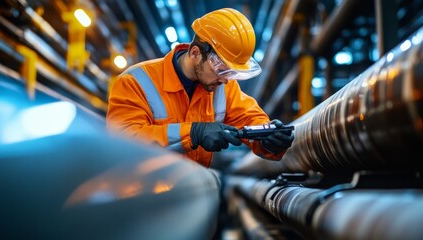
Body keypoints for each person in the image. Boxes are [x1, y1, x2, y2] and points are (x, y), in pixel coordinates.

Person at [106, 8, 294, 168]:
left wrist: (268, 138)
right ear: (195, 53)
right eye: (221, 69)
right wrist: (193, 133)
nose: (225, 80)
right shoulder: (136, 81)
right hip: (144, 200)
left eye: (230, 73)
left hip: (192, 197)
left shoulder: (223, 87)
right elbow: (123, 142)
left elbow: (250, 118)